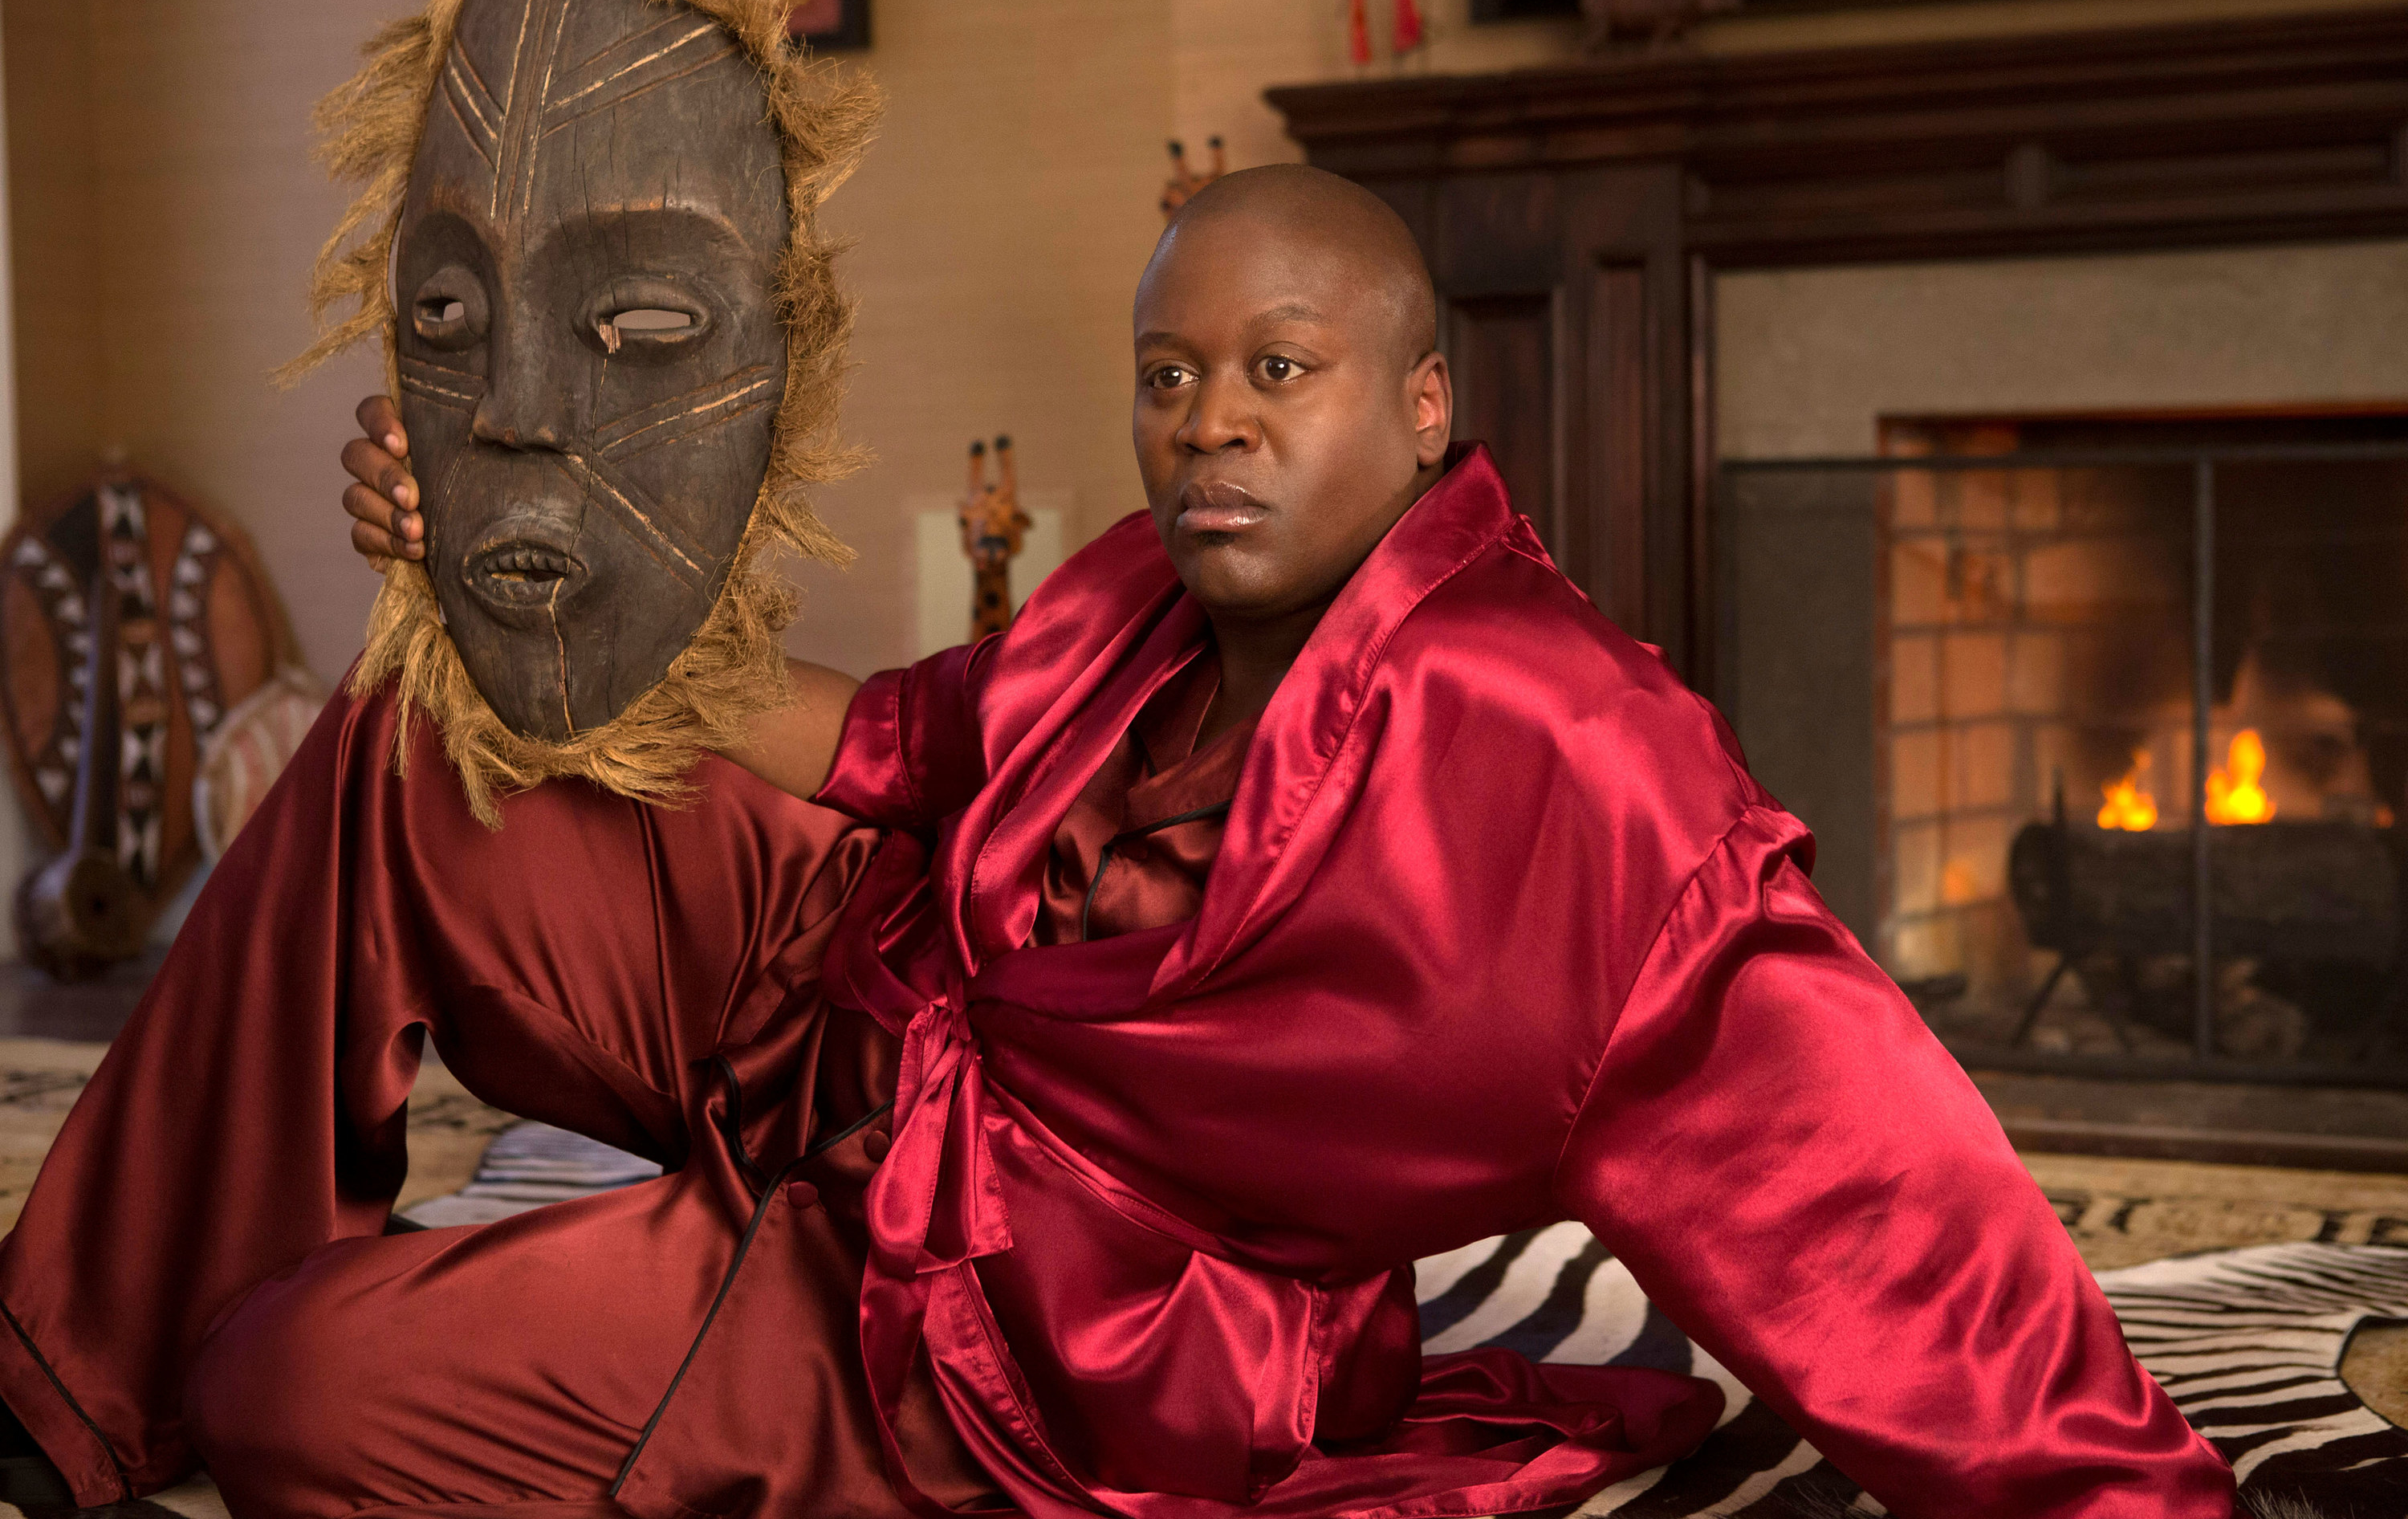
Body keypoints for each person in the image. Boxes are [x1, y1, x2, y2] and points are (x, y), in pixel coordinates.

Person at [0, 166, 2235, 1518]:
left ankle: (601, 1321)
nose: (1211, 427)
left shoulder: (1574, 771)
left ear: (1428, 410)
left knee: (295, 1395)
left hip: (1001, 1324)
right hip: (850, 1014)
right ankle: (54, 1382)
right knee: (433, 724)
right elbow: (880, 742)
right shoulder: (1149, 602)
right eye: (1174, 377)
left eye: (1281, 373)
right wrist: (511, 568)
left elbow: (1890, 1211)